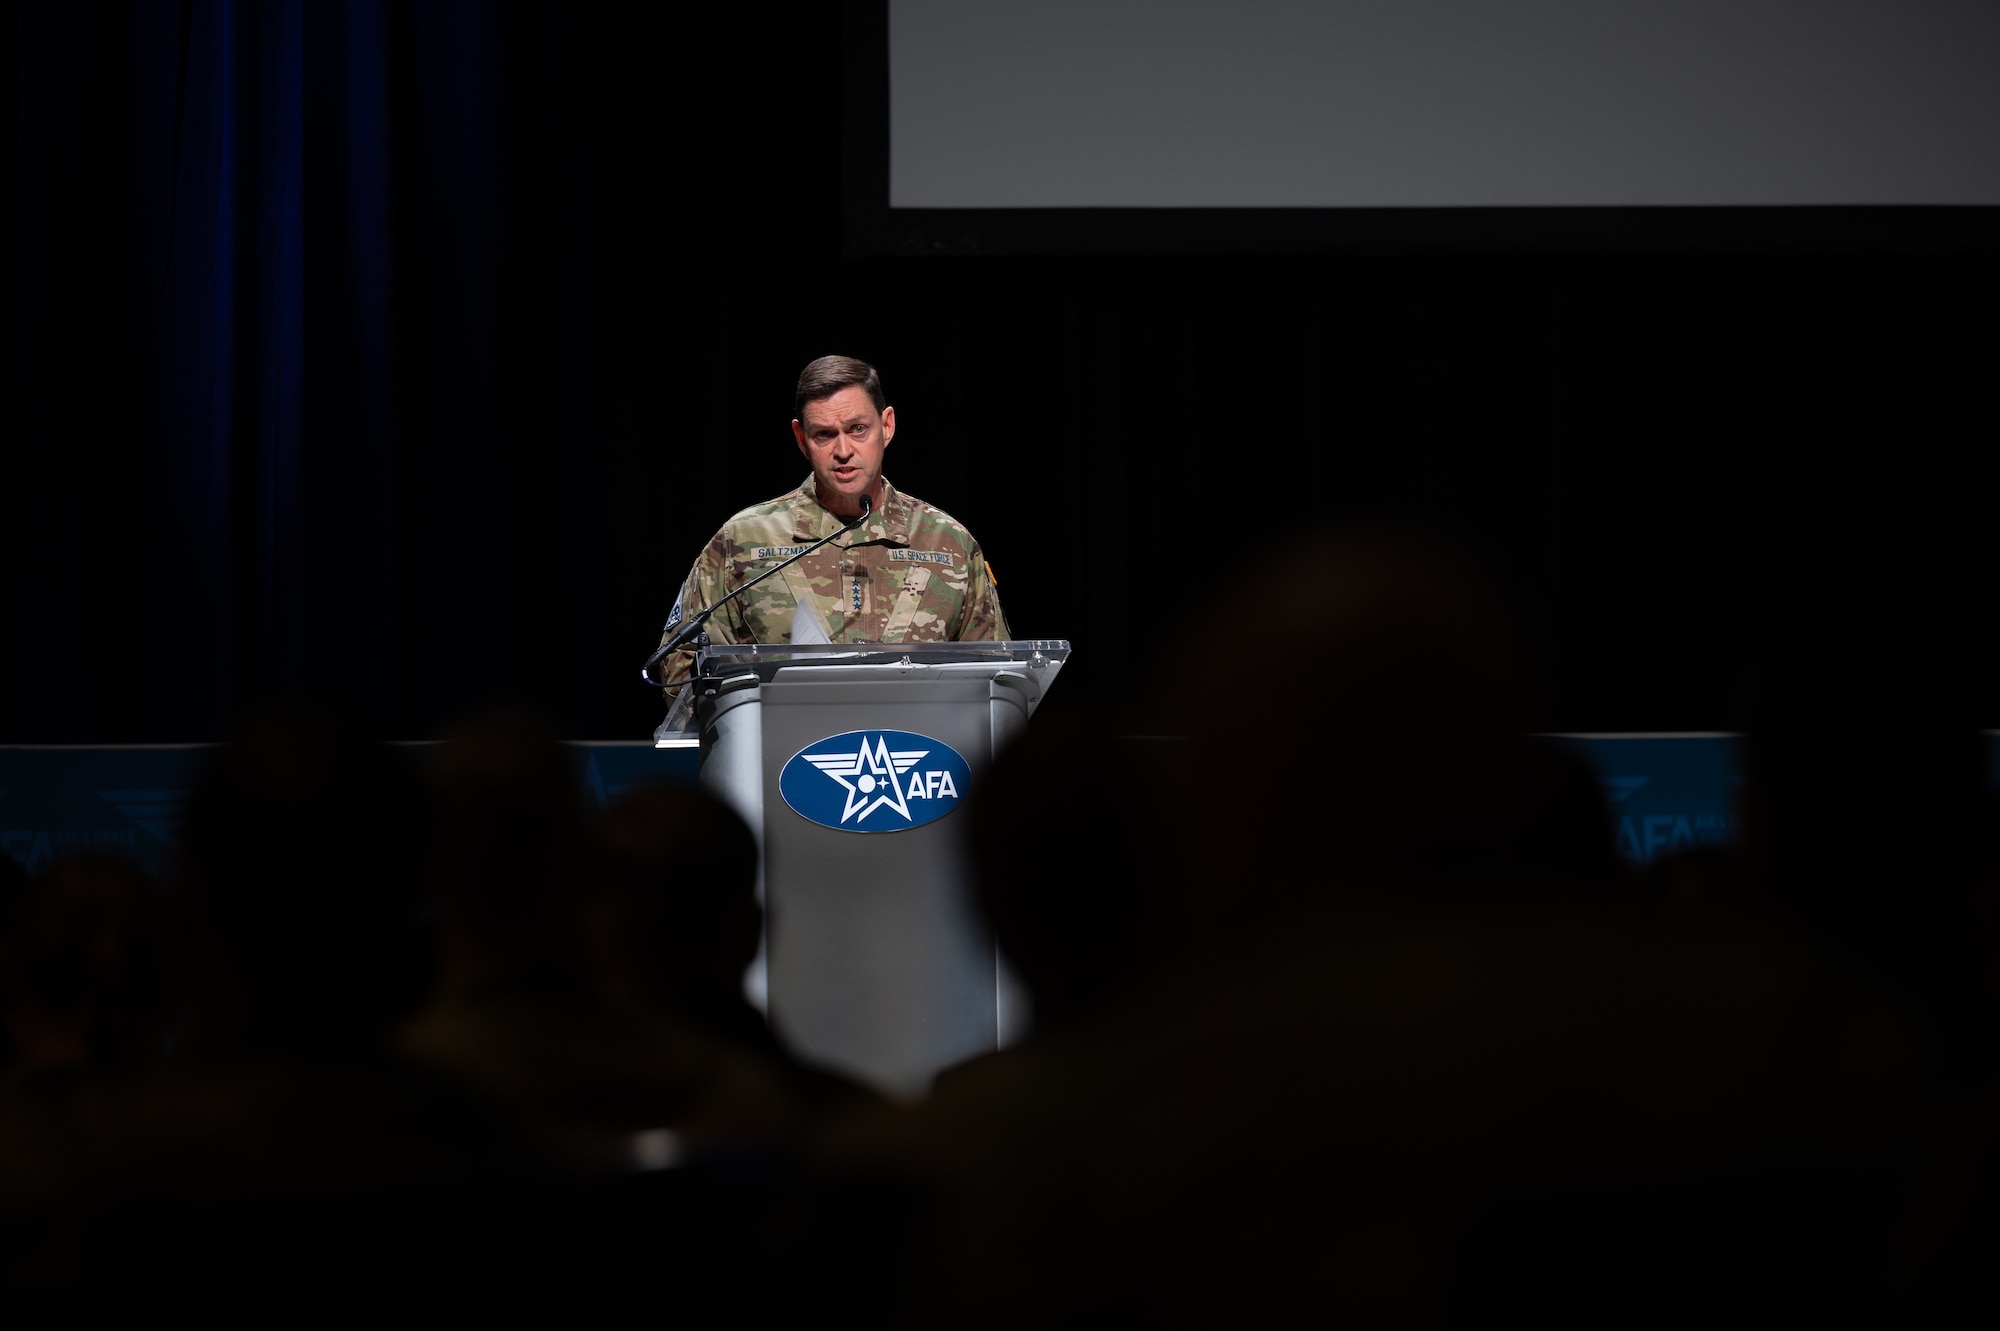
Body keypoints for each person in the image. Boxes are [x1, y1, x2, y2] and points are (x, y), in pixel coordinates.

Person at [653, 356, 1011, 702]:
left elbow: (996, 676)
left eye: (858, 429)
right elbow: (680, 669)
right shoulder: (742, 541)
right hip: (782, 756)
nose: (843, 450)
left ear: (887, 426)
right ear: (800, 438)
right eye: (824, 434)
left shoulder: (948, 542)